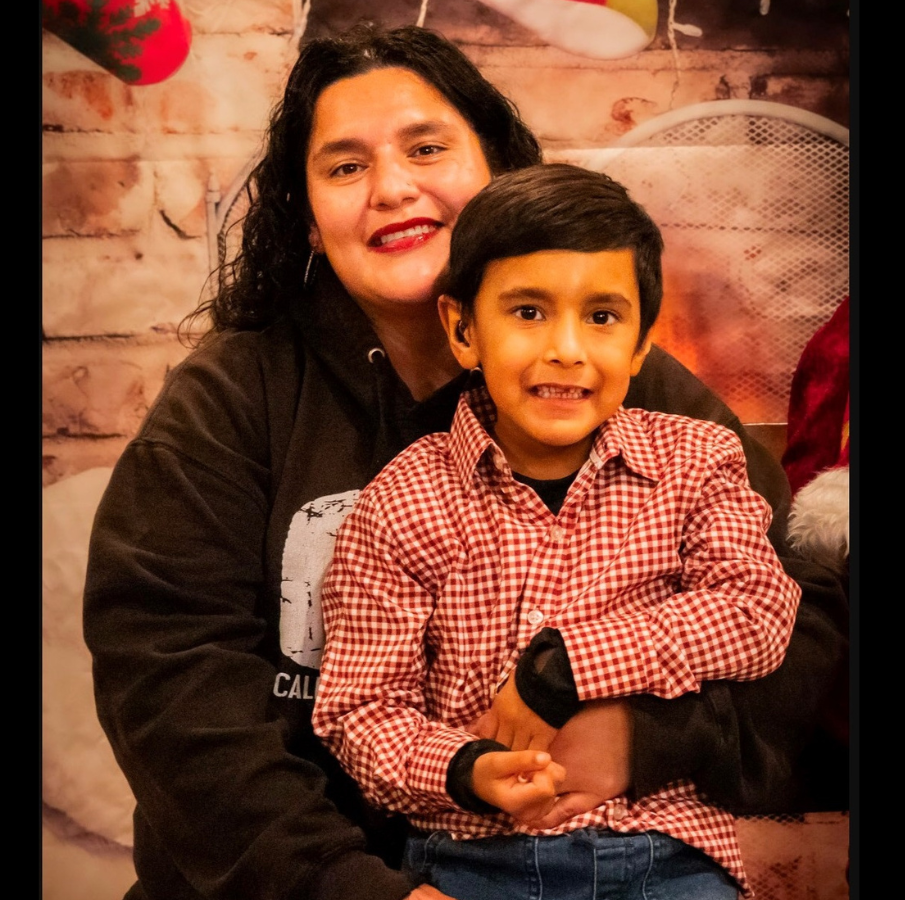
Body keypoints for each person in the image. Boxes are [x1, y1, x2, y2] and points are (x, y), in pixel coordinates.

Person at [82, 22, 849, 900]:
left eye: (427, 148)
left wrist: (644, 737)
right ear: (308, 217)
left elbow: (798, 617)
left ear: (496, 169)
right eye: (346, 166)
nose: (392, 188)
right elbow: (172, 684)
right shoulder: (230, 402)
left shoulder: (629, 395)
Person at [312, 163, 802, 899]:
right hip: (472, 862)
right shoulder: (401, 502)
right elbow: (360, 710)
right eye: (528, 312)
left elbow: (756, 611)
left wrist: (571, 662)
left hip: (665, 857)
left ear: (640, 344)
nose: (567, 349)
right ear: (463, 329)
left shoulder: (697, 461)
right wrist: (465, 769)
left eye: (601, 317)